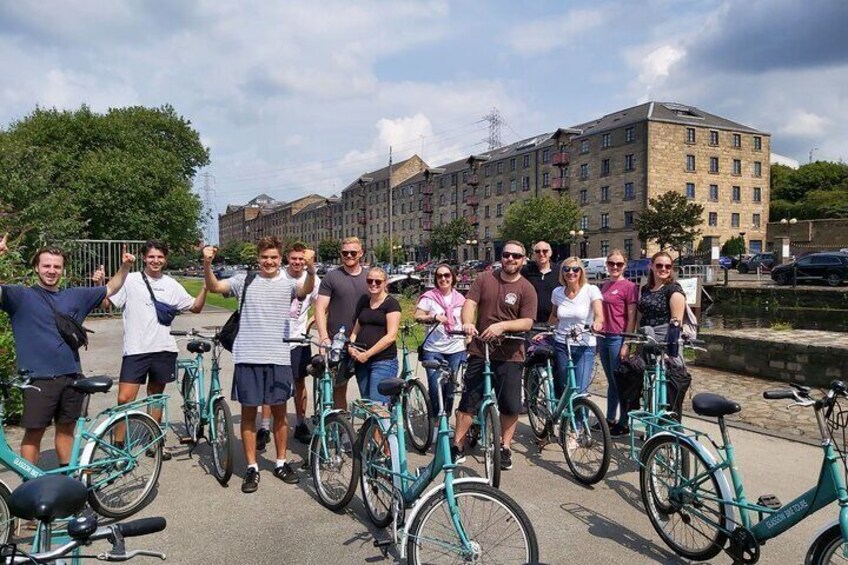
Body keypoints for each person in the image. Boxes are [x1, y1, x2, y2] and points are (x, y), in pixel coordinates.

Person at [0, 234, 134, 465]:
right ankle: (30, 487)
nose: (51, 271)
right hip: (37, 379)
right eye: (46, 266)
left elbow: (111, 288)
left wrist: (125, 266)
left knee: (66, 431)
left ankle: (70, 480)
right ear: (36, 268)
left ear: (62, 270)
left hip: (71, 377)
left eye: (57, 266)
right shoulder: (19, 296)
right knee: (33, 434)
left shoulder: (75, 296)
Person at [202, 236, 316, 493]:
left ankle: (280, 462)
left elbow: (305, 290)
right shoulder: (245, 280)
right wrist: (207, 264)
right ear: (259, 258)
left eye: (274, 257)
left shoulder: (288, 283)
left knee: (279, 414)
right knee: (249, 415)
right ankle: (252, 467)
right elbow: (215, 287)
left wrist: (311, 268)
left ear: (280, 258)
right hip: (248, 356)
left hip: (278, 357)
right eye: (265, 257)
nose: (269, 261)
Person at [99, 239, 208, 460]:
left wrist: (207, 284)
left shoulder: (171, 284)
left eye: (159, 257)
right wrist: (100, 284)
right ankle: (119, 445)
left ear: (165, 259)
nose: (155, 261)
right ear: (144, 258)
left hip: (164, 348)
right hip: (136, 349)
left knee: (155, 396)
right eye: (151, 257)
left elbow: (195, 307)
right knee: (125, 399)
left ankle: (154, 441)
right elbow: (107, 304)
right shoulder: (130, 280)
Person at [454, 241, 536, 471]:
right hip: (481, 348)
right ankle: (457, 443)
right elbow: (470, 303)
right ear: (501, 257)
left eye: (516, 256)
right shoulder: (485, 279)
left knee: (510, 405)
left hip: (511, 352)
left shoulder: (526, 288)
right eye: (507, 255)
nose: (511, 259)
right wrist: (468, 323)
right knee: (469, 399)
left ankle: (505, 446)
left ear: (523, 260)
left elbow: (528, 321)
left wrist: (503, 326)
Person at [256, 242, 321, 448]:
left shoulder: (313, 279)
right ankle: (265, 427)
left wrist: (310, 323)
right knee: (270, 382)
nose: (298, 263)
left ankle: (300, 423)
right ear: (287, 259)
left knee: (299, 381)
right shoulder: (279, 277)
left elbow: (321, 306)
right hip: (274, 338)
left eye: (302, 259)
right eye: (294, 259)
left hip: (298, 338)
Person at [314, 237, 369, 409]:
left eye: (353, 252)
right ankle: (341, 429)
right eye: (345, 253)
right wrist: (323, 337)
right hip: (338, 342)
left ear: (361, 253)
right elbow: (320, 308)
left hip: (365, 342)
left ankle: (370, 432)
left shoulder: (370, 277)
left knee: (369, 391)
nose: (349, 256)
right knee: (338, 388)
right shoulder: (332, 277)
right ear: (341, 254)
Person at [540, 257, 604, 400]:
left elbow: (599, 315)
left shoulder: (591, 290)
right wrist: (545, 331)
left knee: (580, 390)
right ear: (562, 272)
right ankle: (567, 418)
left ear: (581, 272)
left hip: (584, 345)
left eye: (575, 269)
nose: (571, 273)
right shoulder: (557, 292)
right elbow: (554, 315)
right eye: (566, 269)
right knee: (566, 385)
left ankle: (581, 422)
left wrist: (597, 323)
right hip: (562, 344)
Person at [414, 263, 466, 420]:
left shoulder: (461, 299)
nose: (443, 279)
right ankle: (436, 419)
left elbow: (466, 321)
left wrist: (469, 340)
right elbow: (417, 315)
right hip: (434, 348)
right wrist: (432, 317)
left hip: (455, 348)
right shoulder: (429, 297)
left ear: (452, 277)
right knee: (436, 386)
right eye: (439, 276)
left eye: (447, 275)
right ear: (436, 279)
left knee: (450, 388)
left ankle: (446, 417)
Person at [597, 250, 637, 436]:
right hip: (603, 336)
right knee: (611, 381)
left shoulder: (629, 287)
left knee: (619, 381)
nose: (614, 267)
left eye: (619, 264)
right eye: (611, 263)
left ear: (625, 266)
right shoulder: (605, 285)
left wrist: (626, 341)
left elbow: (631, 317)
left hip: (617, 336)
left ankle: (624, 421)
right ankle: (610, 418)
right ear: (606, 264)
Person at [348, 267, 400, 403]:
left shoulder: (391, 304)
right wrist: (351, 347)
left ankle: (384, 424)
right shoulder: (364, 302)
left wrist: (368, 354)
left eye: (378, 281)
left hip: (382, 361)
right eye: (370, 280)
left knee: (378, 405)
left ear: (385, 283)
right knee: (367, 404)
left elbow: (391, 336)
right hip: (361, 361)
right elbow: (355, 330)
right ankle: (372, 425)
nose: (373, 284)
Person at [637, 251, 686, 342]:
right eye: (659, 265)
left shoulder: (674, 290)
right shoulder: (645, 289)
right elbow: (641, 314)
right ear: (651, 266)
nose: (663, 269)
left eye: (668, 266)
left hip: (663, 341)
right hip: (645, 337)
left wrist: (669, 351)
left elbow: (676, 325)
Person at [521, 241, 559, 325]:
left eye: (545, 251)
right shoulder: (525, 271)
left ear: (550, 253)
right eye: (537, 251)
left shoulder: (559, 271)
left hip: (554, 322)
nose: (541, 254)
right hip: (530, 321)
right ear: (534, 254)